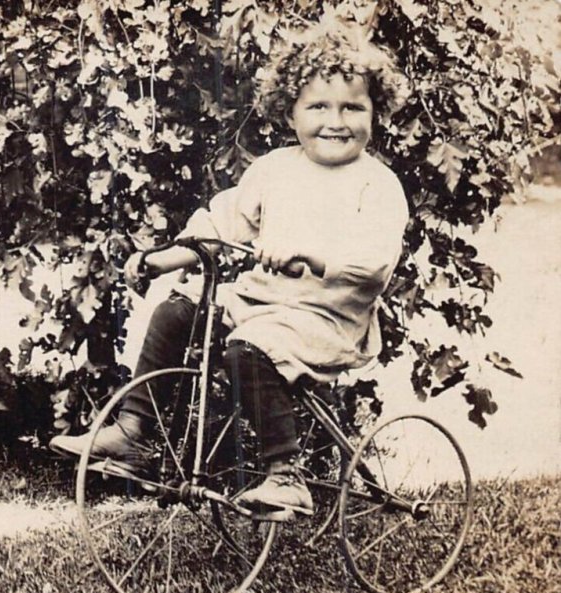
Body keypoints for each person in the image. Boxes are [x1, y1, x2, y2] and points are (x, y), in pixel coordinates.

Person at [51, 23, 409, 519]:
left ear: (377, 113)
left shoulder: (376, 184)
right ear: (289, 111)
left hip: (326, 320)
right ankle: (135, 429)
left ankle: (286, 474)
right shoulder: (273, 171)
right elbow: (220, 226)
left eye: (353, 107)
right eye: (318, 107)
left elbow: (374, 262)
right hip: (261, 305)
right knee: (178, 312)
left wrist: (310, 255)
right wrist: (160, 261)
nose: (335, 121)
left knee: (251, 346)